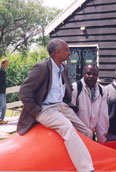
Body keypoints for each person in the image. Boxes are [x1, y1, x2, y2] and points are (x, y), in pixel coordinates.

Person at [17, 39, 94, 172]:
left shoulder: (63, 68)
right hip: (46, 109)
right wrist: (36, 111)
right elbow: (24, 91)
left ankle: (78, 160)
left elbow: (67, 87)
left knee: (87, 132)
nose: (69, 53)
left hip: (61, 106)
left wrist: (67, 101)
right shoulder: (41, 68)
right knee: (68, 128)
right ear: (57, 52)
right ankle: (86, 169)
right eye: (66, 50)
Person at [71, 64, 109, 143]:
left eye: (94, 74)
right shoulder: (75, 88)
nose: (91, 76)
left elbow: (102, 117)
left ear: (97, 76)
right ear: (83, 74)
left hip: (91, 136)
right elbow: (70, 115)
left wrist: (102, 140)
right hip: (76, 137)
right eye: (88, 73)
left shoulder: (102, 90)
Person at [0, 59, 9, 124]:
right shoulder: (0, 72)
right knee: (1, 105)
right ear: (2, 64)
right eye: (6, 64)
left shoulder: (4, 72)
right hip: (0, 91)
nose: (7, 65)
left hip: (3, 91)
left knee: (4, 106)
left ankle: (2, 120)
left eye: (7, 64)